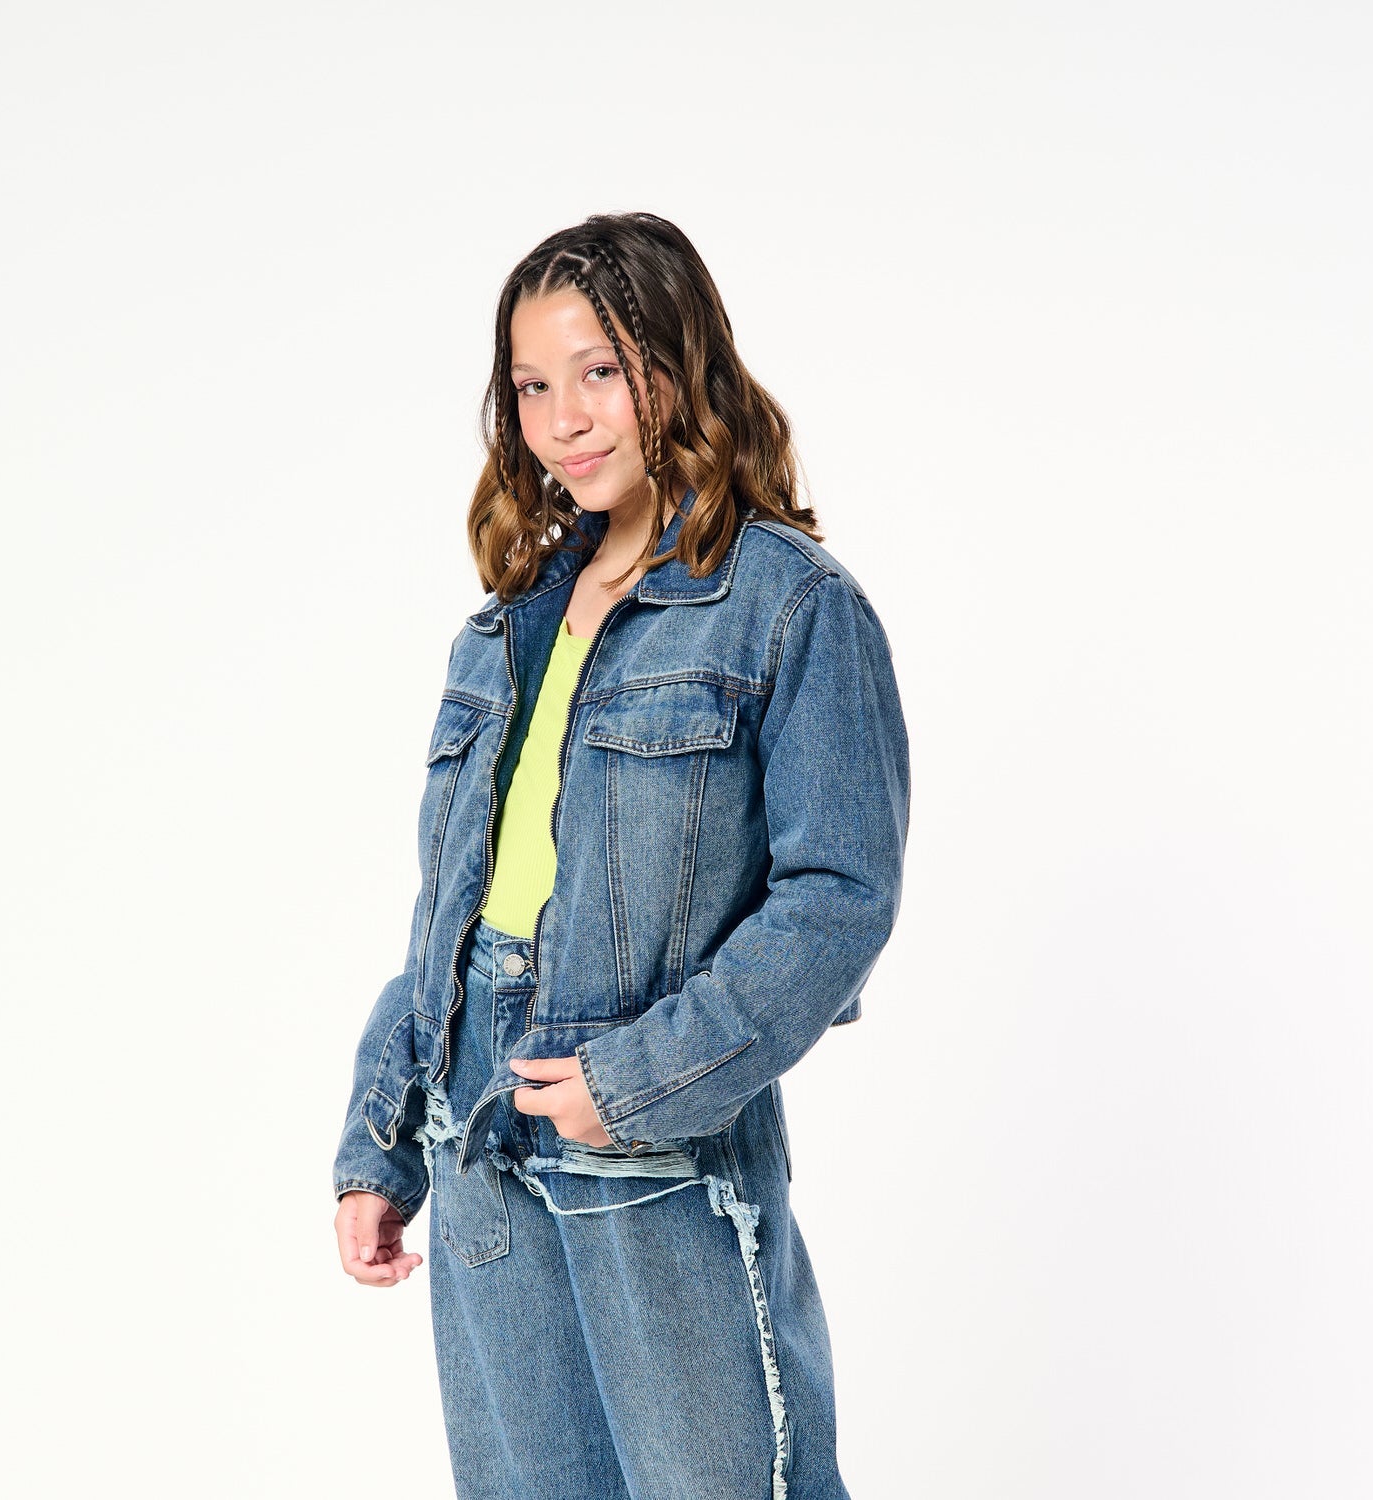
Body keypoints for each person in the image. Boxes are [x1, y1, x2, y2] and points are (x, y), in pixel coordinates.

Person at [331, 211, 910, 1500]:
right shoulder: (502, 630)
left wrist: (637, 1083)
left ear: (677, 366)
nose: (564, 420)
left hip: (656, 1151)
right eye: (533, 386)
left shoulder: (790, 605)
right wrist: (382, 1139)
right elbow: (451, 922)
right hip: (478, 1148)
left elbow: (838, 901)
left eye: (598, 372)